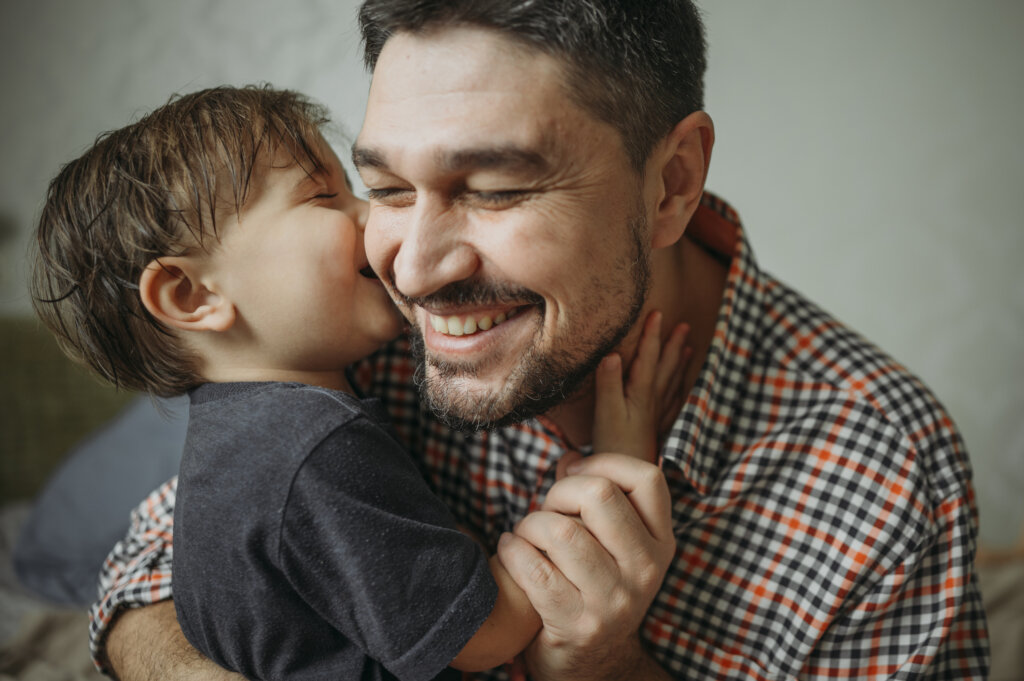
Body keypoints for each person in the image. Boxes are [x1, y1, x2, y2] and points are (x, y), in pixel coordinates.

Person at [87, 2, 991, 680]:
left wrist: (606, 667)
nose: (416, 270)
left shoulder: (884, 469)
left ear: (671, 182)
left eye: (494, 188)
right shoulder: (348, 330)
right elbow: (151, 562)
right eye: (388, 188)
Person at [29, 84, 689, 680]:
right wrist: (616, 463)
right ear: (191, 293)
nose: (376, 222)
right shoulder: (315, 445)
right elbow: (488, 634)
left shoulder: (229, 433)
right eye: (323, 197)